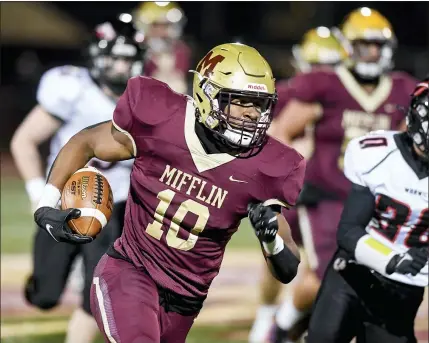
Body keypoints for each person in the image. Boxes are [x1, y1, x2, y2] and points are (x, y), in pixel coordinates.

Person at [32, 43, 306, 343]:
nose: (253, 114)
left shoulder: (268, 164)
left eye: (260, 104)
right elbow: (86, 141)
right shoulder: (163, 118)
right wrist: (47, 202)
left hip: (186, 300)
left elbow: (288, 267)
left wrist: (270, 240)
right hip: (130, 271)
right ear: (207, 94)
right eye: (240, 101)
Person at [269, 7, 417, 343]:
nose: (373, 53)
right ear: (349, 47)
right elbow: (281, 133)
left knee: (371, 279)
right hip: (327, 198)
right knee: (329, 274)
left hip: (375, 202)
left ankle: (292, 328)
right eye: (365, 45)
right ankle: (284, 329)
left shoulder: (400, 89)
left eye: (378, 46)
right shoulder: (326, 84)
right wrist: (292, 173)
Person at [10, 20, 146, 343]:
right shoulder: (72, 87)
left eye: (129, 58)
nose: (122, 66)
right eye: (116, 57)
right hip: (64, 200)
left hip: (116, 207)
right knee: (44, 295)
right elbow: (24, 140)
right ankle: (66, 275)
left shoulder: (144, 100)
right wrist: (37, 192)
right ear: (97, 56)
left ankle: (87, 286)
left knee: (95, 295)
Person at [306, 78, 429, 343]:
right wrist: (394, 260)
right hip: (353, 275)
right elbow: (348, 232)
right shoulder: (378, 154)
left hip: (402, 294)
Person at [249, 26, 348, 343]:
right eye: (317, 65)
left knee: (322, 267)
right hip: (294, 190)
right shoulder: (291, 94)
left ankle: (291, 321)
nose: (322, 73)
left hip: (326, 191)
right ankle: (268, 315)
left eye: (330, 66)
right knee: (277, 255)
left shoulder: (345, 98)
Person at [132, 1, 191, 94]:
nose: (161, 31)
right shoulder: (135, 49)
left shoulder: (180, 50)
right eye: (156, 25)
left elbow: (179, 86)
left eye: (166, 25)